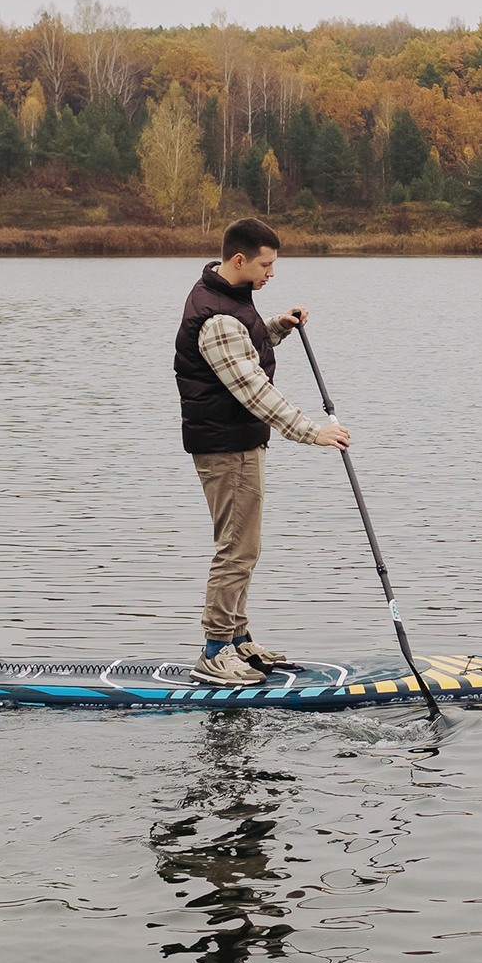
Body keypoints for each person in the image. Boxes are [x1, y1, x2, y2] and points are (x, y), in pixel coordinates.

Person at [174, 217, 350, 686]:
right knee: (236, 548)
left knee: (245, 547)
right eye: (266, 265)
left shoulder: (230, 300)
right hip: (225, 446)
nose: (271, 274)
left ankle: (236, 639)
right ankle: (214, 652)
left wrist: (277, 326)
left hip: (239, 440)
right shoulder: (216, 317)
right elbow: (254, 391)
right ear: (239, 260)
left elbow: (245, 346)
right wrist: (313, 432)